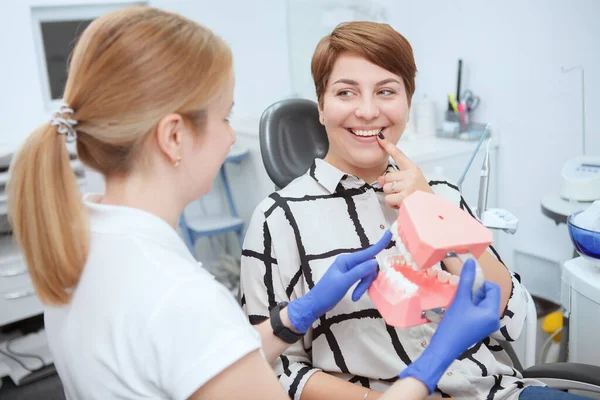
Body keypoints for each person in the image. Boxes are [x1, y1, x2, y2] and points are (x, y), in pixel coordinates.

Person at [7, 6, 505, 400]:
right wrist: (434, 359)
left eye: (387, 90)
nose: (230, 139)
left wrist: (296, 316)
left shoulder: (78, 244)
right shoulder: (181, 294)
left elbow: (204, 359)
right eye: (225, 117)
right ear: (174, 137)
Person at [240, 21, 591, 400]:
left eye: (386, 91)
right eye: (346, 92)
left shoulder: (439, 194)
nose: (368, 110)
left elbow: (513, 319)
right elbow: (275, 370)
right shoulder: (277, 220)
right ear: (321, 107)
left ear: (408, 103)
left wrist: (433, 215)